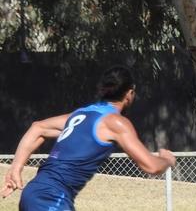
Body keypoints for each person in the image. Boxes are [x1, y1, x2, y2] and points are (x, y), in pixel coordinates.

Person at [1, 65, 176, 211]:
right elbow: (151, 166)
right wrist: (167, 160)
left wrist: (16, 168)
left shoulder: (81, 114)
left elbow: (38, 128)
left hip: (34, 192)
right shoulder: (115, 122)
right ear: (129, 93)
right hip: (51, 198)